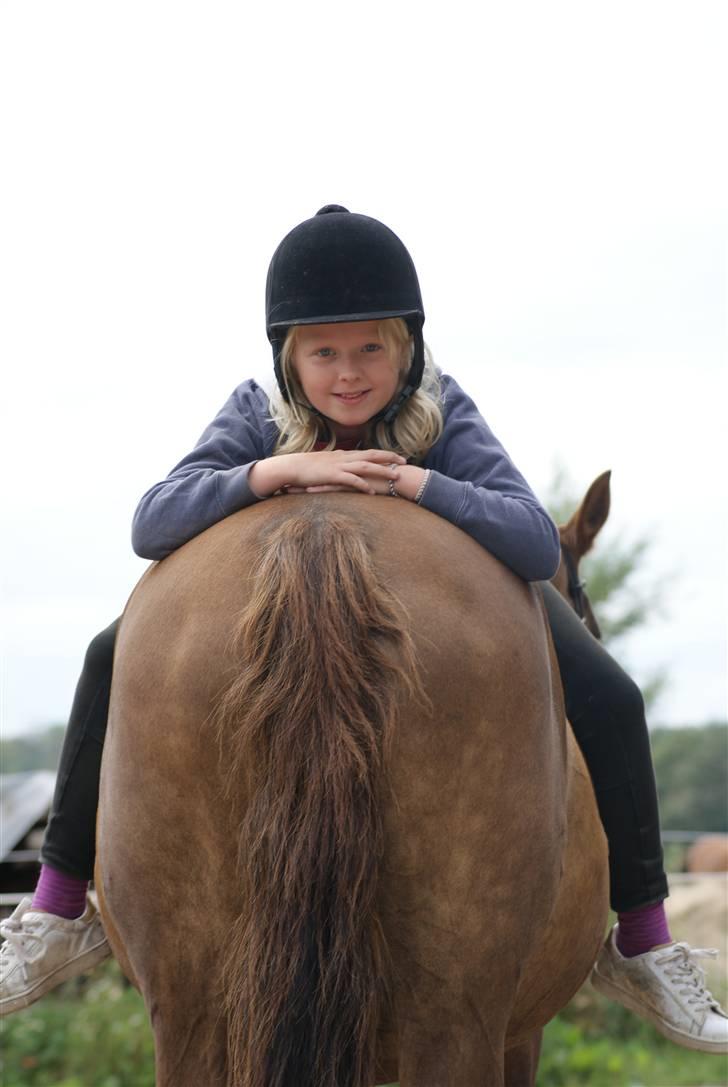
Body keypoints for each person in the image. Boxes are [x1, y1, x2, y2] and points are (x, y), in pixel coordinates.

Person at [1, 206, 726, 1055]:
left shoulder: (440, 410)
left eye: (371, 349)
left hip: (434, 574)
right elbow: (151, 522)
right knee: (105, 655)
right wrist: (280, 470)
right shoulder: (256, 411)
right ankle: (55, 907)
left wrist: (421, 486)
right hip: (267, 564)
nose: (349, 375)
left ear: (406, 349)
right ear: (289, 357)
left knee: (609, 689)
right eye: (325, 353)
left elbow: (533, 537)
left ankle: (642, 938)